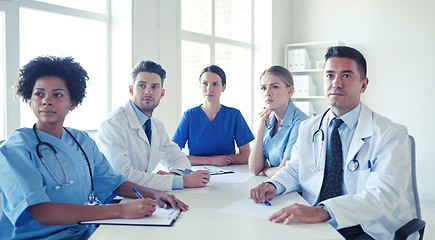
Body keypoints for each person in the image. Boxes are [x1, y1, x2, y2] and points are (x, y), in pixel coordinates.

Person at [0, 56, 187, 239]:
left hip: (84, 231)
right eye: (39, 94)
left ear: (72, 103)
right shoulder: (15, 149)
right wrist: (120, 210)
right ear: (29, 98)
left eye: (57, 95)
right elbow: (43, 213)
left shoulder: (80, 140)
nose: (46, 101)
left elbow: (114, 182)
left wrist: (157, 194)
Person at [250, 46, 416, 240]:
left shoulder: (391, 134)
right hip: (318, 223)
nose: (336, 83)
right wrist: (274, 185)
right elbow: (295, 169)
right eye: (329, 75)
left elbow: (383, 196)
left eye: (346, 76)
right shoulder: (308, 128)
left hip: (366, 228)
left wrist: (324, 211)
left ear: (363, 85)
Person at [96, 60, 210, 192]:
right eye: (142, 86)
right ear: (131, 90)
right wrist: (182, 181)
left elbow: (176, 156)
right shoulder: (113, 124)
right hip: (115, 199)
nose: (148, 92)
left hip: (143, 195)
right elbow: (122, 175)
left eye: (154, 87)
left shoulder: (156, 126)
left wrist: (175, 175)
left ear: (162, 94)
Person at [171, 65, 255, 166]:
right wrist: (211, 161)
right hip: (197, 174)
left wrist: (222, 160)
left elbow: (246, 156)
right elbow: (174, 156)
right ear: (199, 86)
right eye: (205, 84)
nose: (209, 89)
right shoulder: (189, 116)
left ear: (224, 87)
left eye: (215, 84)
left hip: (231, 172)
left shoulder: (234, 115)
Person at [248, 66, 308, 177]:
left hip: (295, 191)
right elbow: (254, 169)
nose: (267, 93)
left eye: (274, 87)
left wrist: (265, 169)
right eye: (263, 88)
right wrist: (260, 130)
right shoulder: (269, 120)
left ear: (290, 91)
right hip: (275, 185)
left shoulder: (301, 123)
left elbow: (284, 172)